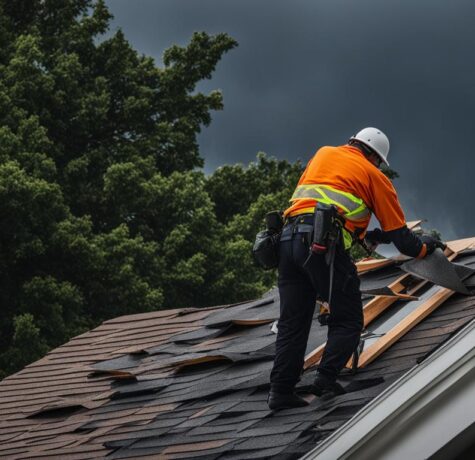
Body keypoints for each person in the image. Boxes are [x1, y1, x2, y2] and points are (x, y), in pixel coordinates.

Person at [267, 127, 445, 410]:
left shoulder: (323, 154)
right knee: (348, 319)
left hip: (288, 243)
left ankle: (280, 391)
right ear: (376, 157)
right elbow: (404, 241)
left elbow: (322, 208)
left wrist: (370, 236)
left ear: (353, 142)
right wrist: (426, 246)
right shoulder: (375, 176)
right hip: (321, 247)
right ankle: (324, 380)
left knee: (293, 322)